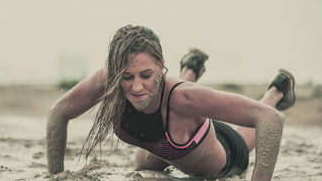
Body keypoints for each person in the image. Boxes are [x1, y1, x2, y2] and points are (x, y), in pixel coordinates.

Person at [46, 25, 296, 180]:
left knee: (234, 131)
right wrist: (55, 176)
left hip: (220, 155)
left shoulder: (185, 98)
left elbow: (269, 119)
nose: (135, 87)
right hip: (162, 152)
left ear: (161, 66)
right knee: (142, 163)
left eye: (146, 75)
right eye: (126, 77)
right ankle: (191, 68)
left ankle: (277, 91)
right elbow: (59, 112)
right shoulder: (107, 79)